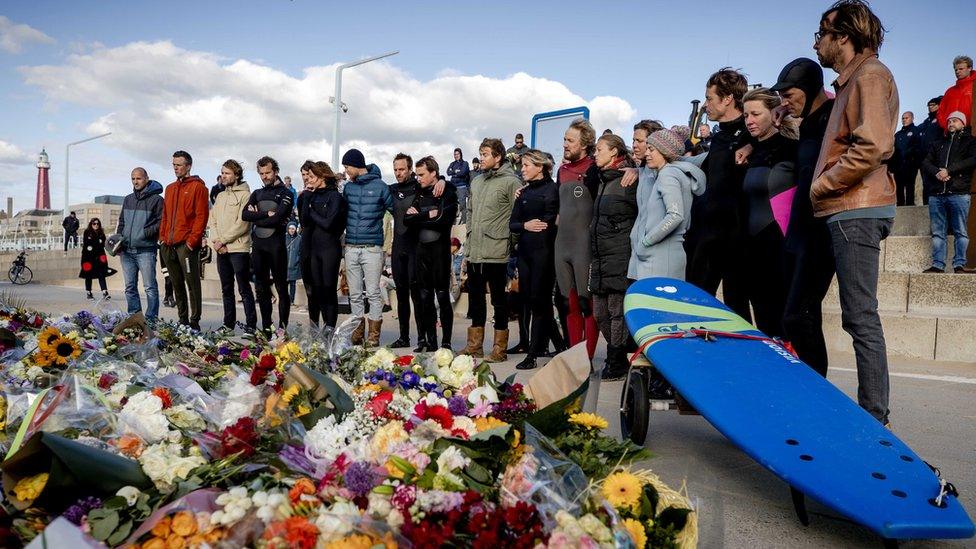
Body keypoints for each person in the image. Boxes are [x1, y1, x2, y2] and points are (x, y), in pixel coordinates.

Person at [811, 0, 898, 426]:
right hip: (847, 207)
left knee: (860, 314)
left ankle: (874, 419)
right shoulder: (852, 81)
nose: (817, 43)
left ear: (842, 36)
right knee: (853, 313)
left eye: (821, 34)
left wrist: (821, 185)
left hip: (856, 207)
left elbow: (873, 146)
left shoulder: (870, 75)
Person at [771, 56, 836, 377]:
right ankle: (812, 388)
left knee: (799, 315)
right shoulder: (808, 121)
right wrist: (783, 113)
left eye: (789, 94)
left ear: (810, 89)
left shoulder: (832, 119)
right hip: (797, 230)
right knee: (795, 315)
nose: (784, 101)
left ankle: (817, 391)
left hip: (820, 231)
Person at [684, 68, 753, 322]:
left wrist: (751, 145)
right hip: (706, 236)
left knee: (737, 307)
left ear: (727, 99)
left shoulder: (750, 134)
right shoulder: (719, 137)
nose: (705, 105)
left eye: (710, 98)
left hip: (736, 238)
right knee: (695, 303)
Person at [740, 88, 799, 337]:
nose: (749, 120)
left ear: (773, 113)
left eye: (755, 114)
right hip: (753, 246)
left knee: (784, 320)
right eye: (745, 115)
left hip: (780, 245)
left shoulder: (791, 147)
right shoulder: (749, 151)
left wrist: (787, 111)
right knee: (763, 318)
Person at [460, 138, 521, 362]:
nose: (482, 158)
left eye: (486, 154)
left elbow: (517, 217)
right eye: (481, 154)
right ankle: (474, 346)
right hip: (475, 250)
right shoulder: (476, 182)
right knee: (475, 300)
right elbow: (470, 213)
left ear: (498, 157)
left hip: (497, 251)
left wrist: (509, 243)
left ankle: (499, 349)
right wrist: (468, 243)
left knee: (498, 300)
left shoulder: (511, 182)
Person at [590, 134, 637, 381]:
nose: (595, 153)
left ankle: (616, 360)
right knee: (600, 313)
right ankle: (618, 353)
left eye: (599, 149)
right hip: (599, 256)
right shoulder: (602, 181)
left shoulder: (630, 179)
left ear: (615, 152)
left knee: (617, 312)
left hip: (619, 255)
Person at [628, 128, 705, 280]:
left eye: (651, 149)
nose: (647, 153)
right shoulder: (671, 173)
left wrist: (647, 241)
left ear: (664, 151)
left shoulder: (668, 174)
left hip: (660, 259)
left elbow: (675, 215)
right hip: (663, 256)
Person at [508, 149, 559, 371]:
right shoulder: (524, 193)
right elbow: (513, 223)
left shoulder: (552, 190)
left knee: (541, 300)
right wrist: (526, 225)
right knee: (529, 300)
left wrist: (534, 224)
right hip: (526, 252)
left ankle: (533, 352)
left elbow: (551, 220)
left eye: (527, 165)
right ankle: (559, 343)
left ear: (540, 166)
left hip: (544, 252)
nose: (523, 169)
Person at [555, 118, 601, 359]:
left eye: (570, 140)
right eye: (564, 139)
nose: (564, 144)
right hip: (561, 245)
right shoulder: (561, 170)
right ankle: (575, 357)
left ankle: (587, 358)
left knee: (587, 304)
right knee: (568, 303)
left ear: (584, 144)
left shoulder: (594, 169)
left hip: (584, 246)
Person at [342, 148, 394, 346]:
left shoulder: (381, 187)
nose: (346, 171)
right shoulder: (349, 188)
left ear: (356, 164)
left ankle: (373, 337)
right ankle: (357, 334)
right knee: (354, 294)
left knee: (372, 293)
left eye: (347, 166)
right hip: (351, 247)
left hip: (372, 247)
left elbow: (394, 210)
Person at [405, 156, 458, 351]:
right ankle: (431, 341)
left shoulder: (447, 191)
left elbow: (442, 221)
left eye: (422, 174)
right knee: (425, 297)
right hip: (422, 251)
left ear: (434, 173)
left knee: (442, 296)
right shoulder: (419, 192)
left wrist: (417, 217)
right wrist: (427, 214)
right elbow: (406, 220)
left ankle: (446, 342)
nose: (418, 178)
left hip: (439, 251)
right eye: (417, 174)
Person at [242, 156, 294, 332]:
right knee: (261, 288)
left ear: (276, 171)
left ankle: (282, 328)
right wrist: (266, 215)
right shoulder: (257, 193)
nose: (265, 176)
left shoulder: (286, 193)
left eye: (268, 172)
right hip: (259, 246)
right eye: (261, 173)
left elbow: (279, 218)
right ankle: (266, 327)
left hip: (276, 246)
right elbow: (245, 215)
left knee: (280, 287)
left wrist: (260, 216)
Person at [159, 150, 209, 330]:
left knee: (192, 284)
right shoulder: (170, 188)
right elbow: (165, 216)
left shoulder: (199, 188)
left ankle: (194, 320)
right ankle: (183, 320)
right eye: (173, 165)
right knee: (176, 283)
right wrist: (163, 238)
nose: (175, 168)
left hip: (186, 246)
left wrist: (191, 242)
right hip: (168, 245)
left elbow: (201, 217)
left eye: (179, 165)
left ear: (188, 166)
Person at [921, 112, 975, 273]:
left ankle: (959, 264)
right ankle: (938, 265)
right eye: (949, 120)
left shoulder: (970, 141)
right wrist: (937, 172)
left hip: (958, 193)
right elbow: (925, 162)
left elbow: (973, 159)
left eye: (955, 120)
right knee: (938, 233)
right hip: (937, 194)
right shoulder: (938, 143)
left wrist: (949, 170)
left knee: (960, 231)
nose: (951, 123)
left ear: (963, 124)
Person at [298, 160, 347, 330]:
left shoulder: (335, 196)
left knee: (328, 291)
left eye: (311, 177)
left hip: (329, 249)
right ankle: (316, 332)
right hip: (313, 250)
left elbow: (328, 224)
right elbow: (304, 221)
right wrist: (307, 199)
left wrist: (311, 211)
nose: (308, 180)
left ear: (322, 176)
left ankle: (330, 330)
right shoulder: (310, 195)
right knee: (316, 292)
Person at [210, 159, 257, 332]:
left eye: (227, 173)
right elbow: (212, 221)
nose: (223, 176)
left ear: (236, 175)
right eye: (222, 173)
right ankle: (228, 324)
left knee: (244, 288)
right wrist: (216, 242)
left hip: (238, 249)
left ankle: (251, 326)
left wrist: (224, 240)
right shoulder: (220, 196)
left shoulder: (246, 195)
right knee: (226, 289)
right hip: (220, 249)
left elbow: (243, 224)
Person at [117, 167, 163, 320]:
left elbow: (161, 222)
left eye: (139, 178)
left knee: (149, 287)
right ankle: (134, 318)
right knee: (130, 287)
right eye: (133, 179)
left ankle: (151, 319)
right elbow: (122, 222)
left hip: (146, 250)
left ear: (146, 178)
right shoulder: (128, 199)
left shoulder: (157, 200)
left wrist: (144, 233)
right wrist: (118, 240)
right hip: (126, 251)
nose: (135, 181)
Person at [388, 153, 423, 348]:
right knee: (401, 294)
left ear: (410, 170)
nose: (398, 173)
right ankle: (403, 337)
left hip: (414, 248)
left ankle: (422, 337)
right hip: (398, 245)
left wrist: (442, 179)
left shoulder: (418, 187)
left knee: (416, 294)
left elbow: (437, 180)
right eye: (395, 170)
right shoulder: (391, 190)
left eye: (402, 169)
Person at [79, 217, 116, 300]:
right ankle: (89, 292)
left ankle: (105, 292)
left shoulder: (101, 233)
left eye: (97, 224)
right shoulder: (87, 232)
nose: (96, 225)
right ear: (91, 224)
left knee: (101, 274)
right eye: (94, 224)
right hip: (88, 257)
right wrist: (98, 242)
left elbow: (105, 244)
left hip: (99, 257)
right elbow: (88, 243)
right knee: (88, 275)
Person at [936, 56, 975, 134]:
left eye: (961, 69)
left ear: (970, 68)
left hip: (971, 133)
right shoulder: (950, 91)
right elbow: (940, 112)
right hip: (951, 134)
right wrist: (946, 125)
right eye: (956, 69)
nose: (957, 72)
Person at [917, 96, 944, 205]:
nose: (930, 107)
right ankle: (925, 204)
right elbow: (916, 132)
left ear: (939, 105)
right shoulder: (926, 122)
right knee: (925, 183)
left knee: (935, 181)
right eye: (929, 105)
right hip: (924, 157)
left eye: (933, 105)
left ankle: (936, 204)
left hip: (936, 156)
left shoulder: (941, 118)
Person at [891, 112, 922, 206]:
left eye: (906, 118)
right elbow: (893, 149)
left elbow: (918, 147)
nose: (904, 120)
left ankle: (910, 205)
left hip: (910, 165)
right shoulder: (898, 134)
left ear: (912, 118)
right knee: (899, 187)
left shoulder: (916, 131)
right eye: (903, 118)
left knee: (910, 186)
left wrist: (912, 158)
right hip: (898, 166)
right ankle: (900, 206)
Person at [446, 148, 471, 224]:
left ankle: (464, 222)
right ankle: (453, 222)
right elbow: (448, 172)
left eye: (457, 154)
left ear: (461, 154)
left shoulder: (465, 163)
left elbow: (463, 172)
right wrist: (456, 171)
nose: (456, 156)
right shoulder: (452, 164)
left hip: (462, 187)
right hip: (453, 187)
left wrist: (454, 172)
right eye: (455, 154)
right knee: (453, 205)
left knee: (463, 206)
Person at [286, 222, 302, 304]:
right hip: (285, 265)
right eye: (290, 228)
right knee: (285, 284)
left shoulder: (299, 238)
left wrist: (297, 260)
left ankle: (291, 300)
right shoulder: (284, 237)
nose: (291, 230)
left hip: (294, 265)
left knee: (293, 284)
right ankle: (285, 299)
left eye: (293, 229)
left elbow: (300, 252)